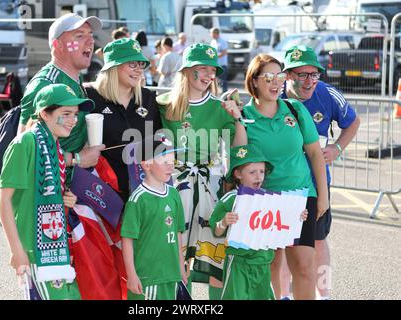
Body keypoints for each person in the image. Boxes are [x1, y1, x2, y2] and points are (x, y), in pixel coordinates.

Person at [235, 53, 329, 300]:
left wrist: (323, 197)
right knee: (271, 269)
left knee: (305, 268)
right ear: (254, 81)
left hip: (301, 196)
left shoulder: (295, 109)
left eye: (279, 75)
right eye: (268, 76)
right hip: (264, 201)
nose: (275, 82)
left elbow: (315, 155)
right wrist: (236, 122)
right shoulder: (243, 117)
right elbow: (240, 162)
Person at [157, 43, 244, 299]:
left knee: (213, 255)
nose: (208, 75)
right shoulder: (164, 105)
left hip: (210, 185)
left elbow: (239, 149)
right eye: (202, 68)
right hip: (174, 186)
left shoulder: (220, 107)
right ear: (186, 71)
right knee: (176, 251)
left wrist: (237, 118)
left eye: (212, 70)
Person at [0, 83, 95, 300]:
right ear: (45, 113)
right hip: (34, 251)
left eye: (76, 114)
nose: (73, 120)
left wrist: (64, 200)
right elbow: (4, 201)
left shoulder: (54, 145)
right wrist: (16, 251)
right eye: (66, 114)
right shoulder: (26, 142)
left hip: (53, 248)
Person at [278, 45, 360, 300]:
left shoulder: (326, 93)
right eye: (303, 75)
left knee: (319, 241)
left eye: (315, 74)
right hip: (279, 185)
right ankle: (282, 295)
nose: (310, 81)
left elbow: (353, 121)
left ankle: (323, 294)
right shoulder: (272, 95)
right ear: (288, 75)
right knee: (281, 245)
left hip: (316, 185)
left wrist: (337, 147)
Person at [210, 144, 308, 300]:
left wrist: (298, 216)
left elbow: (282, 221)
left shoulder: (268, 199)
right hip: (238, 264)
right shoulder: (231, 199)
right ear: (238, 174)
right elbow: (216, 230)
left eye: (262, 172)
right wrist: (224, 221)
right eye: (252, 172)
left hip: (263, 263)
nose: (258, 176)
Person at [18, 13, 104, 169]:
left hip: (70, 184)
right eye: (80, 36)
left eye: (91, 35)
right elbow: (24, 150)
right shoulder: (44, 84)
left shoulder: (74, 78)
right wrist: (75, 159)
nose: (91, 41)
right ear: (58, 45)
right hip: (49, 189)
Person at [86, 38, 162, 203]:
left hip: (143, 193)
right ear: (113, 67)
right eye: (132, 64)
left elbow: (158, 143)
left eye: (141, 65)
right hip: (100, 192)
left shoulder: (148, 98)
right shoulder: (90, 98)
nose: (139, 70)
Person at [121, 135, 187, 300]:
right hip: (147, 279)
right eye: (164, 162)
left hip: (171, 275)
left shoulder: (173, 194)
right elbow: (127, 239)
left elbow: (178, 233)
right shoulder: (138, 199)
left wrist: (181, 265)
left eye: (172, 161)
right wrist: (131, 274)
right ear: (146, 164)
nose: (170, 167)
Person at [210, 27, 228, 93]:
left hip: (222, 65)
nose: (210, 35)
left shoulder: (222, 42)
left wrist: (215, 57)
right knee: (214, 80)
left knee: (223, 81)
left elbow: (224, 52)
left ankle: (225, 96)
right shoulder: (213, 42)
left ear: (215, 33)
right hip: (214, 65)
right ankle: (215, 94)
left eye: (211, 33)